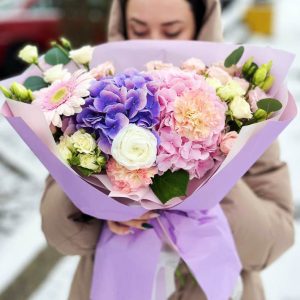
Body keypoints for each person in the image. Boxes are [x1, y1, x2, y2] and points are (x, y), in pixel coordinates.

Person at [40, 0, 295, 299]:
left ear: (202, 28)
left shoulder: (244, 114)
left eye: (172, 31)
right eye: (139, 29)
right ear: (121, 26)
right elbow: (60, 236)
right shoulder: (89, 104)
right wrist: (100, 204)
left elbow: (273, 242)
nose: (154, 41)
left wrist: (211, 177)